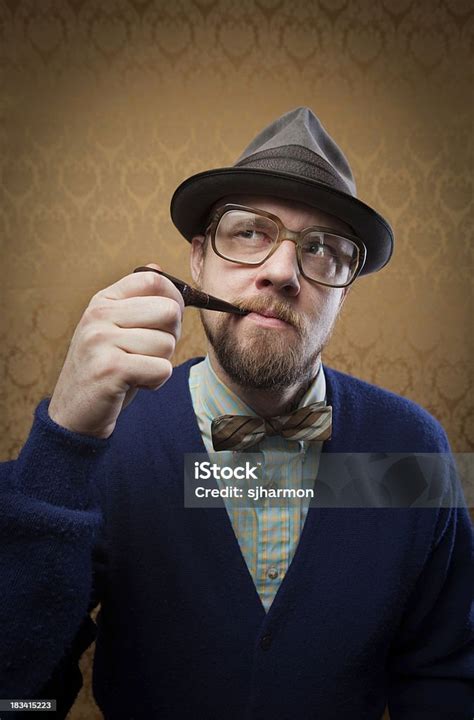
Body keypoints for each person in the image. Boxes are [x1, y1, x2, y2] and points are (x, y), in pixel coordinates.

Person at [1, 107, 472, 719]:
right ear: (198, 261)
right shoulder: (107, 441)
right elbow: (19, 693)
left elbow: (445, 682)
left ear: (343, 290)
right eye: (249, 232)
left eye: (322, 248)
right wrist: (64, 440)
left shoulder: (411, 450)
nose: (280, 272)